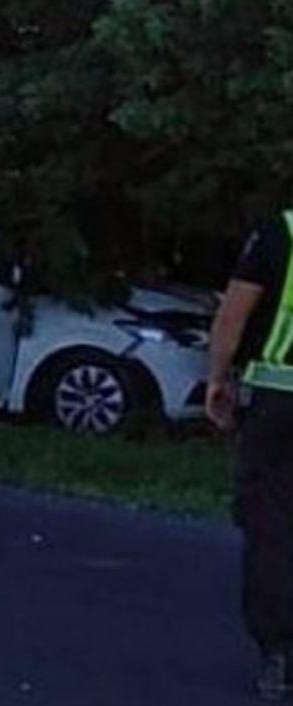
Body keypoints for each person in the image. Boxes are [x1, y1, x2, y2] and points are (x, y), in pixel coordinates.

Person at [210, 212, 293, 700]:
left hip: (280, 401)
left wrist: (218, 378)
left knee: (271, 522)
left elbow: (233, 316)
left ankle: (281, 654)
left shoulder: (279, 232)